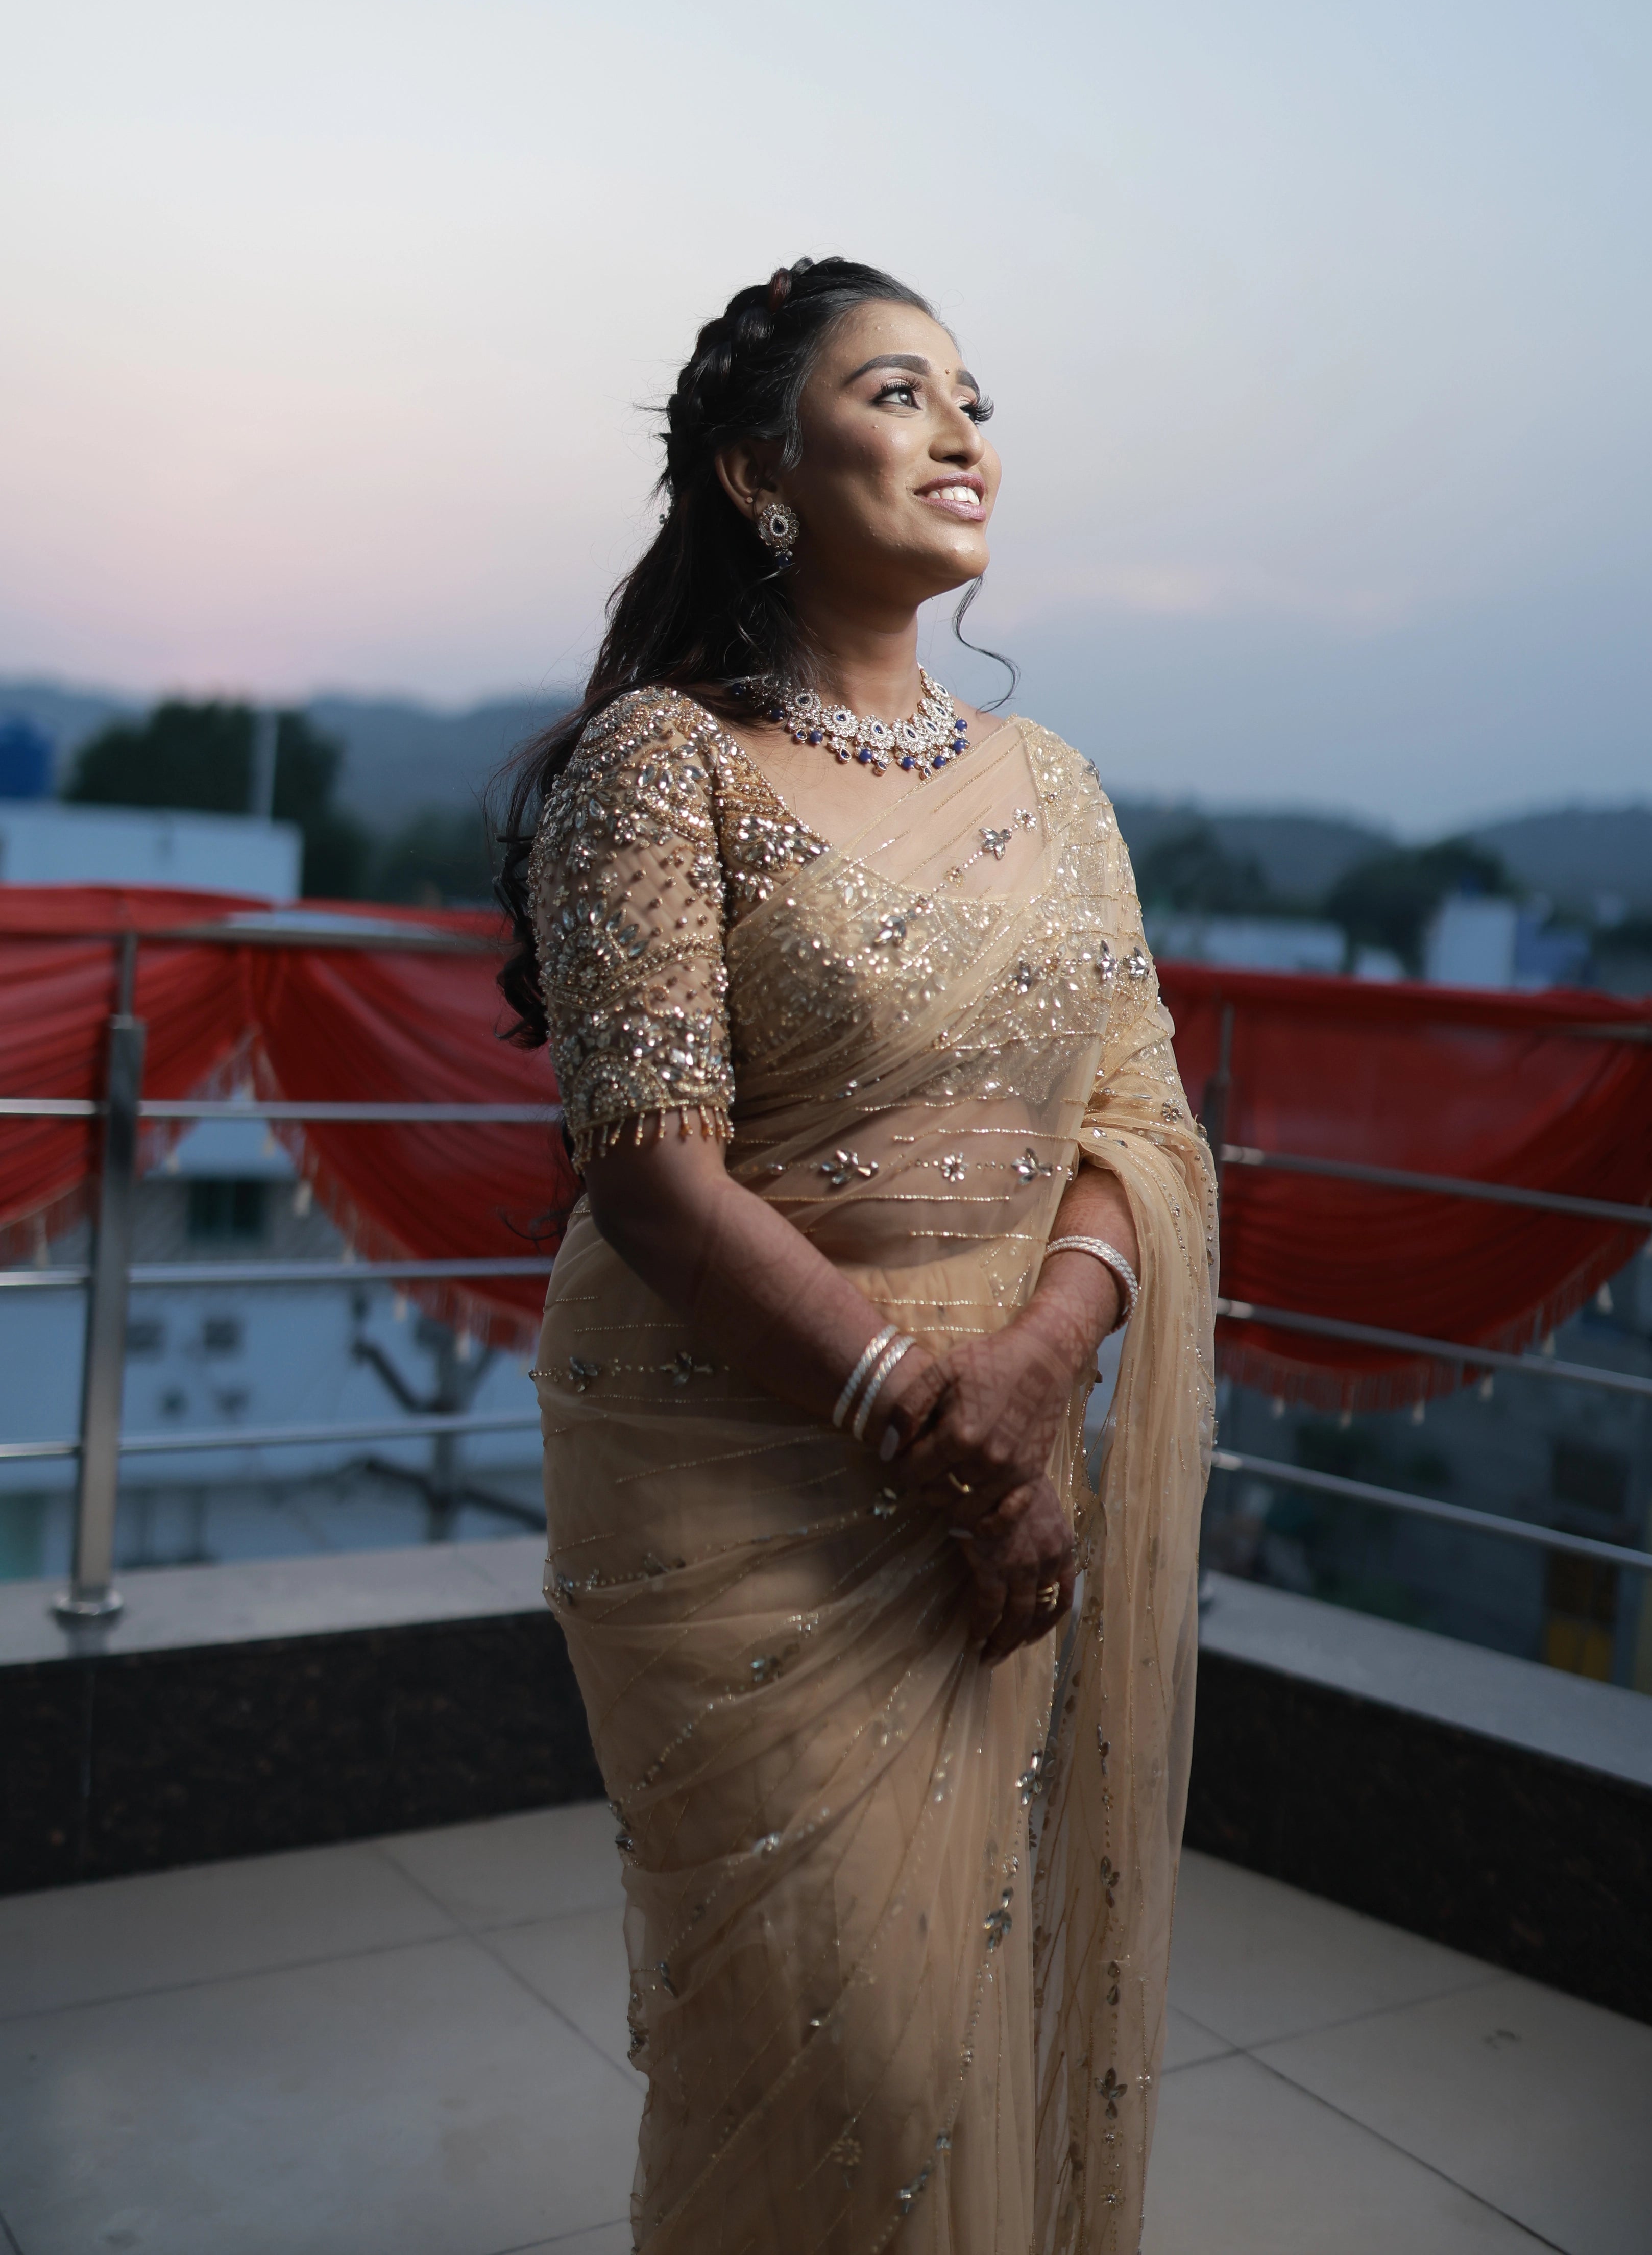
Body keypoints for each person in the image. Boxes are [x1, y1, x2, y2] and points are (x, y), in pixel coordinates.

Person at [497, 258, 1218, 2253]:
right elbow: (646, 1167)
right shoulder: (663, 761)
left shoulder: (1056, 790)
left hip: (1006, 1467)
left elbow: (1139, 1124)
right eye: (901, 393)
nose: (966, 435)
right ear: (759, 471)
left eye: (977, 397)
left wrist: (1039, 1373)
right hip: (743, 1475)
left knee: (968, 1997)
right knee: (838, 2058)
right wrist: (925, 1412)